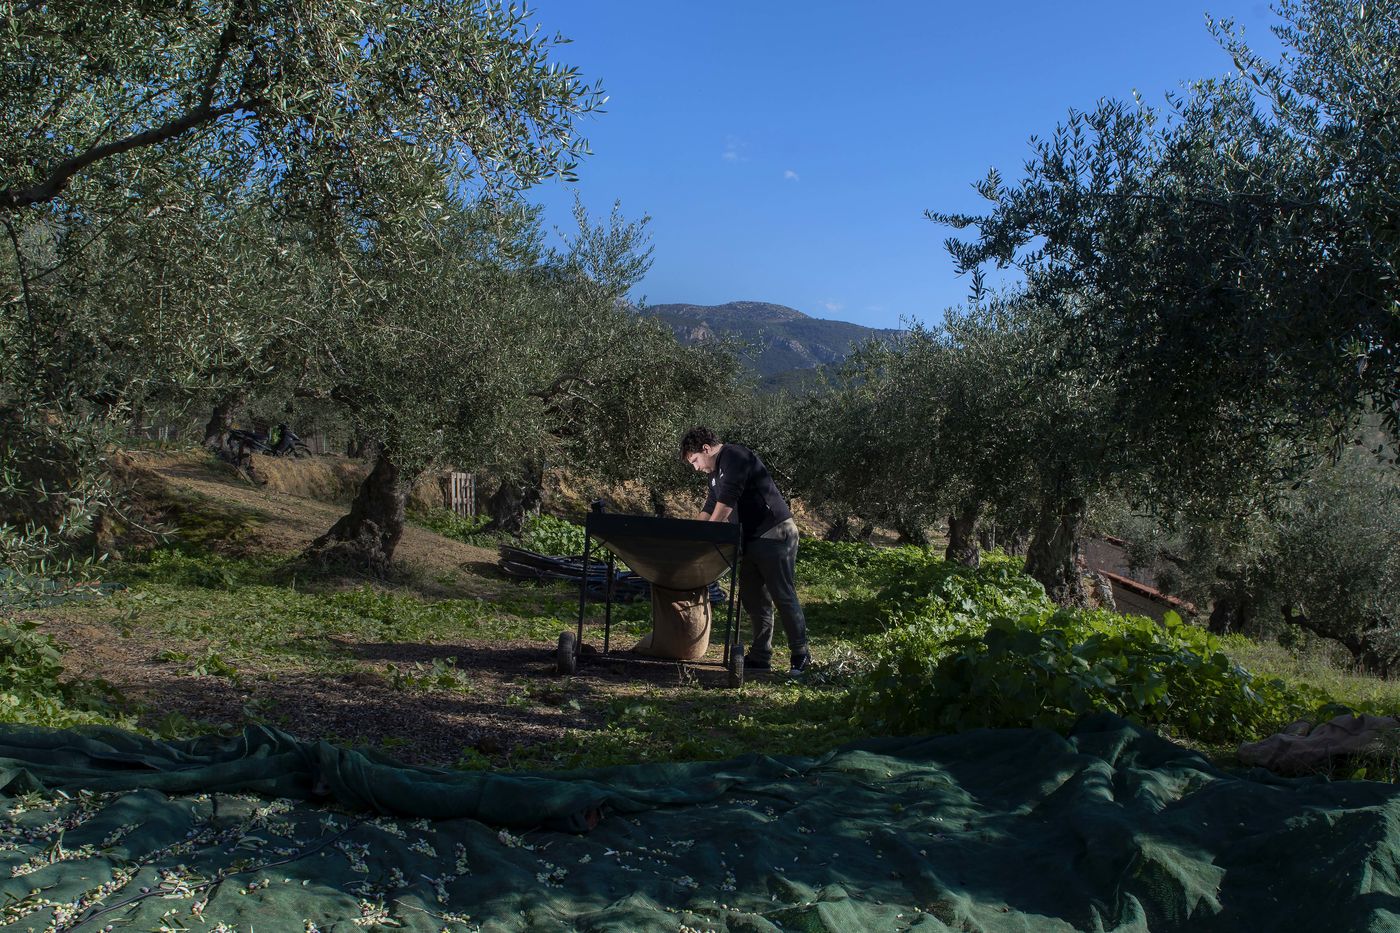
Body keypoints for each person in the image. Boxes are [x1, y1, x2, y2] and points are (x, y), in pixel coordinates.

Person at [680, 426, 811, 673]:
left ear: (706, 449)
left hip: (774, 533)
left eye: (695, 460)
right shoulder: (714, 473)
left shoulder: (735, 456)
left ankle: (801, 655)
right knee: (753, 596)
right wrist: (693, 535)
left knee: (782, 594)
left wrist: (707, 536)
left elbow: (726, 502)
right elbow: (711, 505)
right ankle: (761, 656)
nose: (696, 467)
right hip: (750, 539)